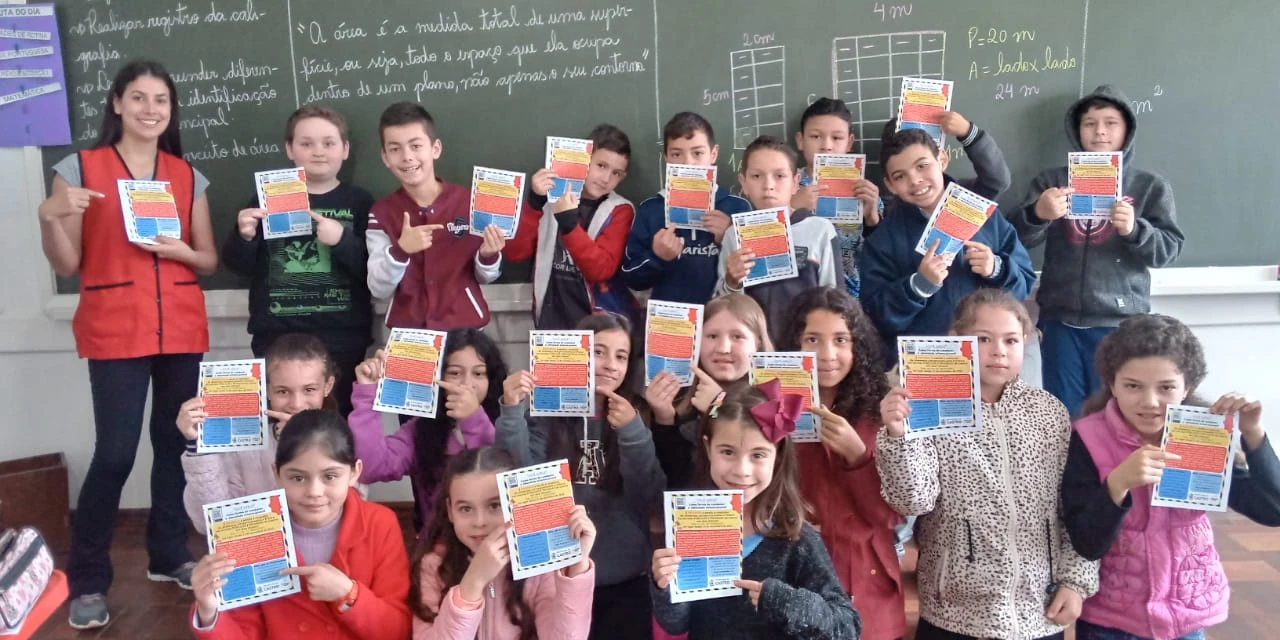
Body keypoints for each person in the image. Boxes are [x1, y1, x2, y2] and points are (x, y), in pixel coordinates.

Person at [38, 59, 217, 629]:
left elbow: (208, 258)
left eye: (160, 100)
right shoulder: (79, 168)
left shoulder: (186, 175)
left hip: (180, 324)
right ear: (117, 103)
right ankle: (88, 579)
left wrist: (180, 252)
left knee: (175, 443)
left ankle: (168, 554)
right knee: (115, 454)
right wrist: (49, 217)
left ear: (172, 109)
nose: (150, 109)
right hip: (115, 324)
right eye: (138, 97)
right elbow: (67, 263)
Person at [877, 289, 1099, 639]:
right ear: (956, 340)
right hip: (953, 613)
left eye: (1011, 340)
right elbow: (913, 500)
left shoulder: (1049, 413)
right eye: (983, 339)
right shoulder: (928, 409)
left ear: (1025, 342)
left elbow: (1073, 507)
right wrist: (899, 436)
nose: (999, 351)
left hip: (1037, 611)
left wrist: (1075, 581)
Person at [1061, 314, 1280, 640]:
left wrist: (1254, 434)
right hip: (1110, 619)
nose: (1150, 402)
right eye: (1132, 386)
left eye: (1166, 387)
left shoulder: (1200, 435)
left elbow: (1273, 510)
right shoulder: (1088, 438)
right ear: (1112, 384)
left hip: (1184, 614)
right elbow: (1086, 544)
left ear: (1187, 387)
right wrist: (1117, 485)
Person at [1014, 85, 1185, 417]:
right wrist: (1038, 214)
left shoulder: (1149, 186)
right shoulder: (1052, 181)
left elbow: (1167, 250)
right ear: (1076, 130)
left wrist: (1135, 229)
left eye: (1110, 123)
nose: (1100, 132)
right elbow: (1015, 239)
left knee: (1115, 413)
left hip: (1120, 324)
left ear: (1127, 130)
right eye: (1089, 124)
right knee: (1063, 412)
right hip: (1059, 320)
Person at [496, 312, 665, 640]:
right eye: (598, 352)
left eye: (621, 356)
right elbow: (517, 477)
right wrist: (512, 411)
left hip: (623, 578)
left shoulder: (637, 416)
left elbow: (649, 496)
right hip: (556, 576)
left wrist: (633, 432)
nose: (610, 365)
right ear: (574, 354)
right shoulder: (546, 415)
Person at [650, 381, 862, 639]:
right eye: (727, 452)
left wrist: (786, 601)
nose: (742, 470)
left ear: (778, 456)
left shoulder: (795, 538)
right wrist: (664, 586)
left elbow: (847, 627)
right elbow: (676, 624)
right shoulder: (689, 528)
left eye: (758, 455)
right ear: (708, 448)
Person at [190, 410, 412, 639]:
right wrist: (209, 611)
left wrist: (348, 594)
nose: (314, 492)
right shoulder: (250, 531)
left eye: (330, 476)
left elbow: (396, 629)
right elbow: (246, 631)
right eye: (298, 478)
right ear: (277, 474)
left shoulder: (380, 524)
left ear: (355, 473)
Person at [221, 104, 374, 415]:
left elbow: (373, 273)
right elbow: (239, 266)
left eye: (328, 143)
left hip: (341, 339)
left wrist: (343, 240)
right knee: (282, 426)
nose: (318, 151)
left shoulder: (360, 202)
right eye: (306, 143)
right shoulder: (266, 198)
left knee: (337, 426)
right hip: (277, 337)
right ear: (290, 149)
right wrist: (245, 236)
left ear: (345, 149)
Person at [776, 287, 905, 640]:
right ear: (793, 344)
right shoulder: (772, 407)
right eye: (812, 339)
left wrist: (857, 456)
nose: (827, 354)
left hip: (866, 580)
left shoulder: (880, 414)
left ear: (857, 346)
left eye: (841, 340)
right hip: (795, 572)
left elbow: (891, 515)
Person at [860, 128, 1035, 366]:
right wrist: (917, 286)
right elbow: (876, 317)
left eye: (922, 166)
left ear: (942, 159)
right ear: (890, 185)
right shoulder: (884, 240)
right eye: (900, 176)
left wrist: (997, 268)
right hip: (926, 362)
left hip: (989, 359)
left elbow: (1023, 286)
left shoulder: (983, 217)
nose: (915, 180)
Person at [410, 446, 597, 639]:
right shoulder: (433, 566)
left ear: (514, 505)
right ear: (450, 511)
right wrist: (473, 582)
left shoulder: (540, 569)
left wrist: (577, 563)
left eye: (494, 506)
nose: (479, 522)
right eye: (466, 509)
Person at [349, 328, 505, 535]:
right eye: (455, 373)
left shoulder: (507, 423)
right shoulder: (421, 428)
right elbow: (371, 468)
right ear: (437, 377)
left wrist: (473, 418)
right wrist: (367, 394)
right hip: (436, 545)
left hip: (495, 539)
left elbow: (496, 479)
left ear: (491, 379)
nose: (467, 384)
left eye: (478, 374)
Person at [178, 333, 340, 533]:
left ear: (327, 386)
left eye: (309, 390)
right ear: (266, 390)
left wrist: (305, 444)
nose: (296, 404)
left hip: (327, 552)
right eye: (283, 391)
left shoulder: (343, 440)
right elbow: (211, 524)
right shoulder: (244, 448)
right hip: (261, 550)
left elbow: (347, 513)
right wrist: (198, 448)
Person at [365, 101, 506, 330]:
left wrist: (488, 255)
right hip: (409, 333)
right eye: (395, 149)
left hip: (465, 328)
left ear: (435, 149)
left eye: (416, 146)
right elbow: (378, 289)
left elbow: (487, 277)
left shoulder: (469, 202)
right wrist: (401, 251)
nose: (407, 156)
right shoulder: (381, 213)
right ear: (385, 157)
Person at [507, 123, 639, 329]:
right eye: (601, 166)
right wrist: (534, 203)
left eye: (616, 173)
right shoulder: (550, 200)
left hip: (600, 327)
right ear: (583, 160)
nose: (606, 179)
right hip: (552, 322)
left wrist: (569, 224)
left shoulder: (620, 210)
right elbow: (515, 253)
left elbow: (600, 270)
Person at [718, 135, 839, 344]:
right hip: (755, 349)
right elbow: (723, 305)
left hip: (807, 348)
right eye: (756, 176)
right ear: (743, 183)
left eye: (780, 176)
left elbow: (836, 298)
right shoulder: (734, 235)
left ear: (795, 182)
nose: (768, 185)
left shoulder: (820, 230)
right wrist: (732, 281)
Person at [621, 112, 751, 305]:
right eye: (676, 154)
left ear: (713, 154)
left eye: (697, 153)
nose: (688, 163)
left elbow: (756, 277)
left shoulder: (737, 207)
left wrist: (729, 236)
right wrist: (657, 257)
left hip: (722, 317)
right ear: (666, 157)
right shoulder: (650, 210)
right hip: (669, 320)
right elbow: (631, 278)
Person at [791, 98, 882, 298]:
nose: (826, 145)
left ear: (849, 142)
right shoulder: (786, 187)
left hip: (856, 297)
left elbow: (884, 254)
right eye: (816, 136)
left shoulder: (863, 190)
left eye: (837, 138)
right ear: (800, 140)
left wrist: (872, 220)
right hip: (800, 293)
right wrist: (791, 208)